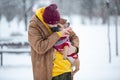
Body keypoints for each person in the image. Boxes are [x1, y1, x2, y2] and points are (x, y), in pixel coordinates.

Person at [28, 3, 79, 80]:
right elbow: (40, 47)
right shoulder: (34, 27)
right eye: (53, 24)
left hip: (66, 70)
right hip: (48, 73)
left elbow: (74, 36)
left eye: (57, 23)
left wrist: (74, 48)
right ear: (45, 21)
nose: (56, 26)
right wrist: (58, 34)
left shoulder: (55, 19)